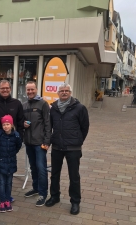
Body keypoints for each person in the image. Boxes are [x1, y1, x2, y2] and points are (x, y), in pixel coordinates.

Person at [45, 83, 89, 215]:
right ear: (58, 93)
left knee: (74, 176)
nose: (64, 93)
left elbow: (85, 127)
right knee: (55, 174)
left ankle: (75, 201)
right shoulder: (53, 108)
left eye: (67, 91)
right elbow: (49, 127)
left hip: (73, 148)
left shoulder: (80, 108)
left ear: (70, 92)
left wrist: (79, 141)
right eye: (62, 91)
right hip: (57, 146)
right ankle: (54, 196)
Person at [0, 79, 24, 205]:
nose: (5, 90)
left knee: (8, 171)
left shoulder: (17, 103)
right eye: (2, 88)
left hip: (11, 144)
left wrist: (19, 138)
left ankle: (7, 195)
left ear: (10, 89)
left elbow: (20, 122)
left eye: (7, 88)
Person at [22, 81, 51, 207]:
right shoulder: (24, 105)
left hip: (40, 143)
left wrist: (46, 141)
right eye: (28, 90)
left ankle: (43, 194)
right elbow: (20, 121)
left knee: (41, 169)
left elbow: (48, 124)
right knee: (33, 167)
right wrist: (23, 124)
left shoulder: (43, 104)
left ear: (36, 89)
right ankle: (36, 188)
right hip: (28, 143)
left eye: (32, 89)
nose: (30, 92)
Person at [0, 115, 22, 213]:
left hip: (11, 163)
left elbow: (18, 146)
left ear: (11, 125)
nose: (6, 126)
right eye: (4, 124)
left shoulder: (16, 135)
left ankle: (7, 200)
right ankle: (2, 201)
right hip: (1, 162)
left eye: (8, 124)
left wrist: (12, 154)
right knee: (1, 183)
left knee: (9, 183)